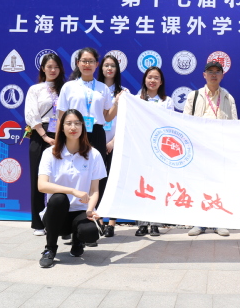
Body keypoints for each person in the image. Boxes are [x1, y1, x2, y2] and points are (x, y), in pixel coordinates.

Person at [37, 109, 105, 268]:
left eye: (77, 123)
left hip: (81, 210)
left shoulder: (94, 154)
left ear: (83, 127)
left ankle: (78, 240)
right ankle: (50, 249)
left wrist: (90, 210)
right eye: (68, 123)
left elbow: (94, 190)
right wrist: (72, 191)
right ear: (62, 128)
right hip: (56, 213)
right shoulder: (50, 153)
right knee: (59, 198)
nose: (73, 127)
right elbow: (42, 185)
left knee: (91, 233)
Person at [183, 60, 237, 237]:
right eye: (210, 71)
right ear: (204, 75)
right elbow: (185, 122)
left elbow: (234, 125)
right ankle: (199, 223)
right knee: (199, 184)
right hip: (199, 148)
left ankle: (218, 222)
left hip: (220, 148)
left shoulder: (228, 97)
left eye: (217, 71)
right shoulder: (194, 96)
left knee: (219, 184)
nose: (214, 75)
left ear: (222, 75)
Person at [24, 53, 65, 237]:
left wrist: (60, 136)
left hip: (62, 134)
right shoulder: (35, 89)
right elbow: (31, 114)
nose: (53, 70)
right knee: (38, 179)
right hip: (40, 134)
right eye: (49, 66)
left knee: (61, 178)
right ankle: (38, 223)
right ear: (43, 68)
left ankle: (61, 223)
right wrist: (44, 136)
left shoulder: (65, 89)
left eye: (56, 67)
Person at [58, 47, 120, 160]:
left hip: (97, 133)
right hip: (74, 131)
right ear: (78, 63)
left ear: (96, 64)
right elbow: (61, 116)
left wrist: (116, 103)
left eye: (91, 61)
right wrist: (58, 140)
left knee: (97, 167)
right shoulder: (68, 87)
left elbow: (107, 117)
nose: (87, 64)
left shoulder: (103, 88)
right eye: (84, 61)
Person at [135, 66, 175, 237]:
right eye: (149, 77)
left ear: (161, 82)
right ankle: (142, 224)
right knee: (141, 185)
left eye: (156, 78)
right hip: (141, 146)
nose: (152, 80)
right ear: (145, 79)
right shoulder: (136, 99)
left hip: (161, 148)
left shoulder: (167, 101)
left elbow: (171, 124)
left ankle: (155, 224)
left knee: (158, 184)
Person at [96, 54, 128, 238]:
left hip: (116, 142)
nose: (109, 68)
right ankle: (98, 220)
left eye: (113, 66)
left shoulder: (123, 93)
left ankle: (111, 223)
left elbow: (126, 120)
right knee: (97, 181)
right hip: (96, 141)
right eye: (106, 65)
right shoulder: (95, 90)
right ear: (101, 68)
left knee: (114, 181)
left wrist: (113, 142)